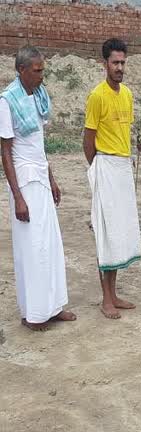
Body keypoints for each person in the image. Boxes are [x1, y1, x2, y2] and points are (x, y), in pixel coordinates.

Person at [1, 46, 76, 331]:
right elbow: (6, 153)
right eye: (37, 71)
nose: (42, 75)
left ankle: (54, 307)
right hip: (24, 181)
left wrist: (52, 178)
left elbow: (39, 146)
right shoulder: (7, 102)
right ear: (21, 70)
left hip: (41, 178)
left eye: (43, 70)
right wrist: (18, 197)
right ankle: (33, 314)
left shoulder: (39, 96)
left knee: (50, 245)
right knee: (31, 248)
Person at [83, 38, 141, 320]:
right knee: (105, 235)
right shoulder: (97, 96)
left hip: (123, 168)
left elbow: (125, 134)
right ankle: (105, 298)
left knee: (118, 234)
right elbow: (88, 142)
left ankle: (114, 293)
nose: (120, 68)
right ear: (104, 63)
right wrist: (99, 170)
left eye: (122, 63)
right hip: (104, 165)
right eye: (115, 63)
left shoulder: (128, 95)